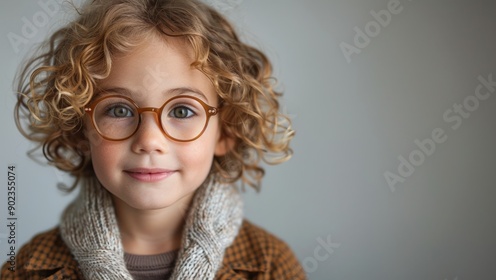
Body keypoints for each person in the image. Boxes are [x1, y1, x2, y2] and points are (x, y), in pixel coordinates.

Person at [1, 0, 305, 279]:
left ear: (225, 132)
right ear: (80, 129)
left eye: (183, 110)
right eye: (119, 109)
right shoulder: (26, 270)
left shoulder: (271, 265)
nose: (149, 140)